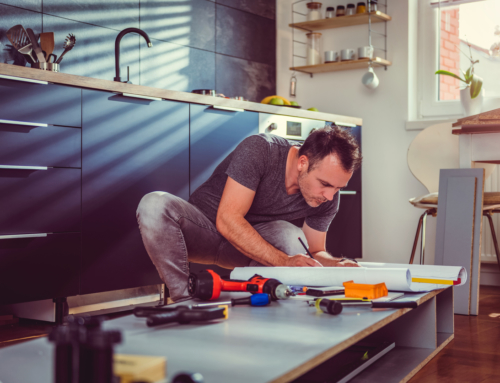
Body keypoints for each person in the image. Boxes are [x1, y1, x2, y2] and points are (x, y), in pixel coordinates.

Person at [137, 125, 363, 302]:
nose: (330, 196)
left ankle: (258, 301)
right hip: (204, 232)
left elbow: (314, 251)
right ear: (303, 163)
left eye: (337, 188)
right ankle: (182, 298)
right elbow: (227, 220)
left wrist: (336, 264)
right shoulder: (261, 149)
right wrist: (284, 261)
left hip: (251, 252)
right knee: (154, 204)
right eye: (325, 184)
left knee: (289, 235)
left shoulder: (328, 195)